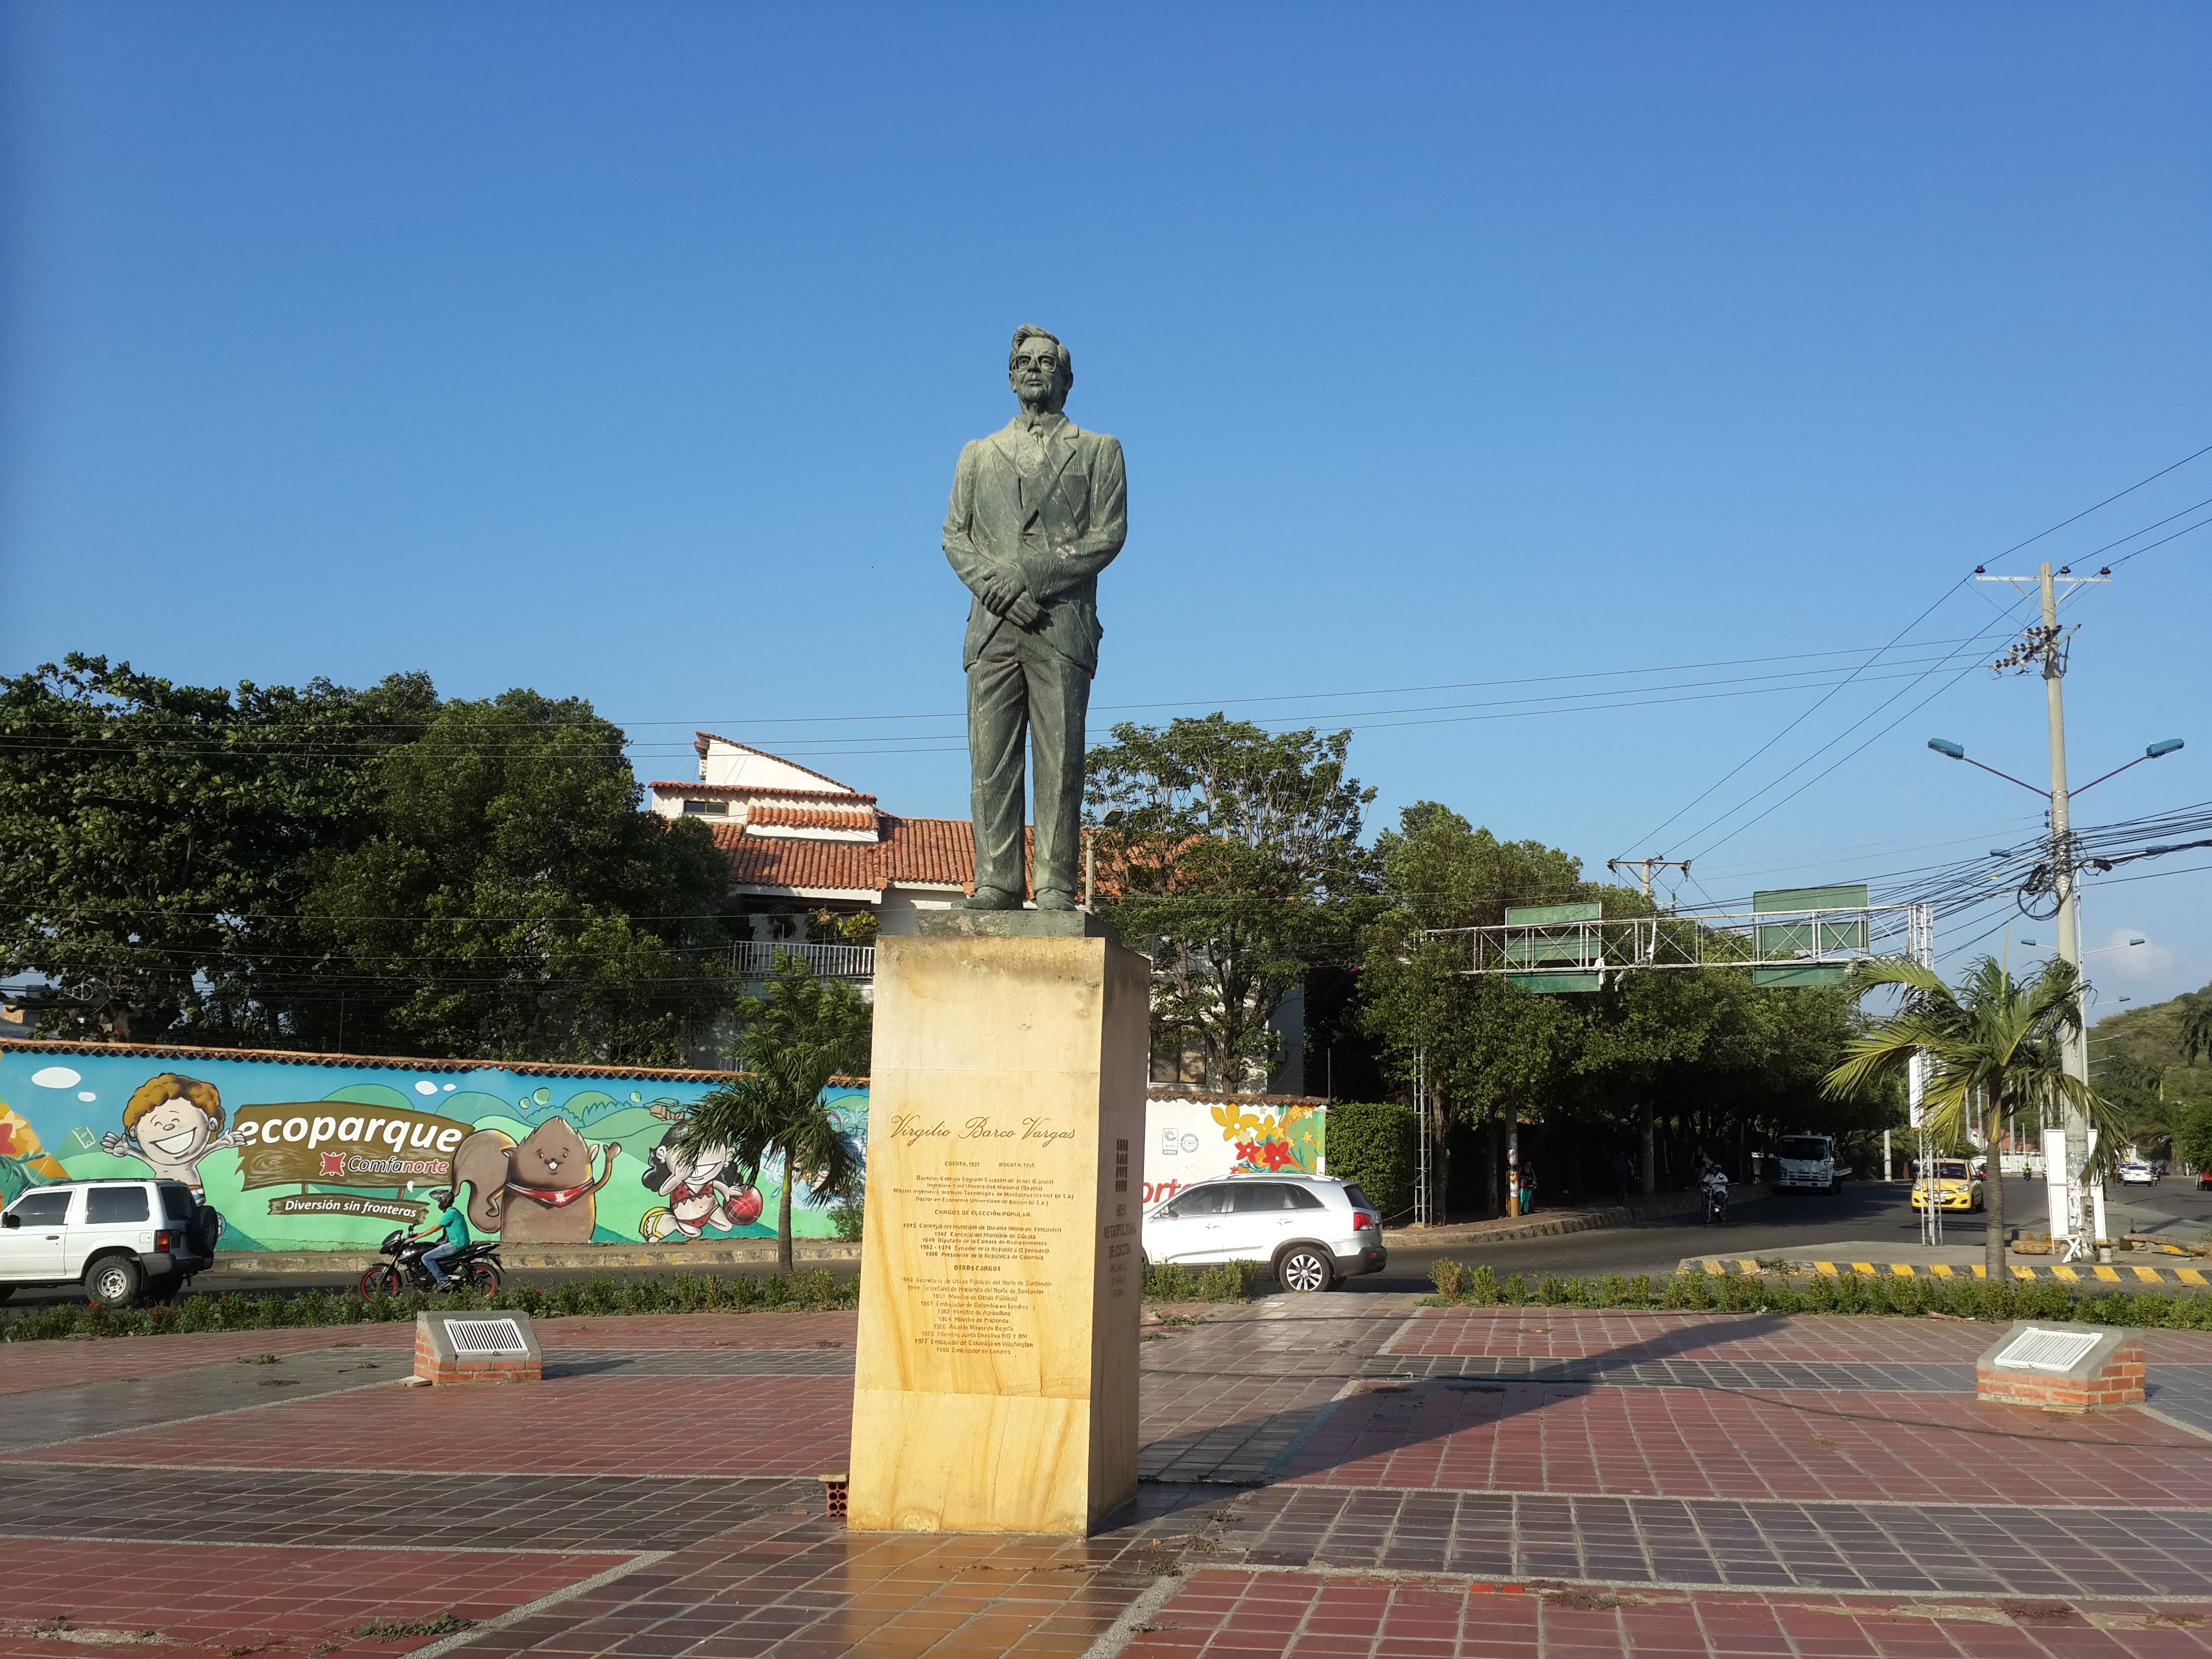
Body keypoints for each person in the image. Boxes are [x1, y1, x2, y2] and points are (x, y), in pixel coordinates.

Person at [941, 325, 1129, 910]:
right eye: (1024, 362)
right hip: (992, 628)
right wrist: (998, 591)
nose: (1034, 370)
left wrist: (1030, 578)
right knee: (990, 761)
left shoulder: (1100, 450)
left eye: (1047, 363)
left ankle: (1055, 883)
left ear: (1067, 380)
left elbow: (1108, 536)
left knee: (1059, 762)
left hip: (1061, 627)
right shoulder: (977, 453)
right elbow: (955, 537)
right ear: (1009, 373)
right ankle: (996, 878)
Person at [411, 1187, 469, 1287]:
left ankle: (443, 1280)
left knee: (426, 1258)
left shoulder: (450, 1214)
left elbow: (435, 1228)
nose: (437, 1203)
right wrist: (420, 1233)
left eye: (438, 1201)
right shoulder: (454, 1212)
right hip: (461, 1243)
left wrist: (415, 1238)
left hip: (456, 1245)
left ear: (444, 1202)